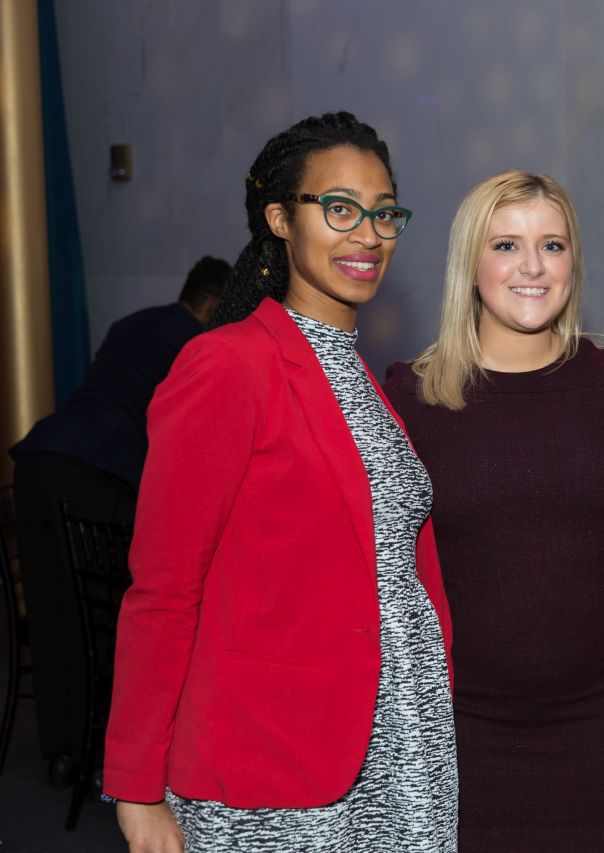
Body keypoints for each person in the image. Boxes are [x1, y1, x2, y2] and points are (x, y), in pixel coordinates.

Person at [103, 112, 458, 853]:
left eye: (383, 213)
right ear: (279, 220)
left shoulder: (362, 378)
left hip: (404, 745)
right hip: (280, 758)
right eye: (340, 208)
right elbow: (163, 589)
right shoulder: (229, 364)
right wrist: (136, 789)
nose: (368, 234)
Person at [384, 170, 604, 852]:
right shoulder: (412, 397)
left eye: (552, 245)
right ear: (470, 263)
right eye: (506, 245)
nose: (533, 266)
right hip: (459, 727)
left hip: (601, 725)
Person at [9, 255, 228, 781]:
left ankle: (65, 749)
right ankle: (115, 752)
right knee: (116, 613)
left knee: (55, 611)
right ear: (216, 305)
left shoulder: (132, 324)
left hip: (38, 462)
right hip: (97, 473)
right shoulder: (198, 343)